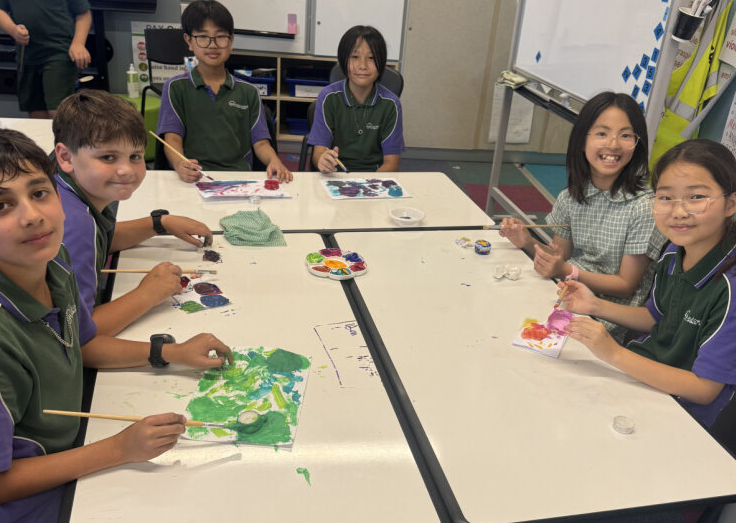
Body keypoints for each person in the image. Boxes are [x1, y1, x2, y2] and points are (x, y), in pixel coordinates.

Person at [0, 129, 233, 521]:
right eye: (2, 205)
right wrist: (118, 450)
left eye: (38, 193)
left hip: (74, 444)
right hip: (34, 497)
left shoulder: (53, 263)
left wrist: (169, 352)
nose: (32, 216)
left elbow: (82, 344)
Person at [562, 139, 736, 428]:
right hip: (641, 377)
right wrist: (594, 305)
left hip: (681, 413)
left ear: (730, 204)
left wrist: (614, 353)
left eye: (696, 197)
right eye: (665, 198)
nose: (678, 211)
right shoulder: (673, 251)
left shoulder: (729, 287)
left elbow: (704, 390)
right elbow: (655, 316)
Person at [500, 91, 665, 340]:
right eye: (601, 133)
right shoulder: (571, 196)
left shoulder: (644, 206)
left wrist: (566, 270)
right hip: (570, 291)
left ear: (637, 143)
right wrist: (527, 242)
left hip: (608, 315)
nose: (613, 144)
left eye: (626, 135)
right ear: (581, 140)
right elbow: (560, 257)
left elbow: (625, 285)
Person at [53, 89, 214, 337]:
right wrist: (147, 294)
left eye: (135, 156)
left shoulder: (75, 185)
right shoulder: (74, 222)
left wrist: (160, 223)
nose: (126, 170)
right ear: (66, 156)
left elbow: (101, 240)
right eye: (108, 157)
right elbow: (76, 336)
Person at [156, 0, 291, 183]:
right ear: (189, 41)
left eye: (220, 36)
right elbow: (172, 139)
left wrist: (274, 160)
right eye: (203, 37)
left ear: (231, 40)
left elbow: (260, 143)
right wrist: (180, 164)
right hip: (195, 178)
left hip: (239, 178)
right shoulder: (175, 88)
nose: (212, 45)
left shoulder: (248, 92)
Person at [308, 25, 405, 173]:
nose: (363, 66)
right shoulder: (327, 98)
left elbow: (391, 164)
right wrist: (323, 160)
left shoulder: (391, 104)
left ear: (382, 62)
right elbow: (318, 154)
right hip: (335, 176)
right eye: (355, 57)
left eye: (371, 58)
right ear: (343, 59)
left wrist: (365, 188)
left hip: (375, 179)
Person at [0, 0, 91, 118]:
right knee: (36, 112)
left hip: (59, 52)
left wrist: (78, 43)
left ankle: (63, 136)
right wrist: (13, 30)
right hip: (28, 55)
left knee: (57, 110)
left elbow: (84, 14)